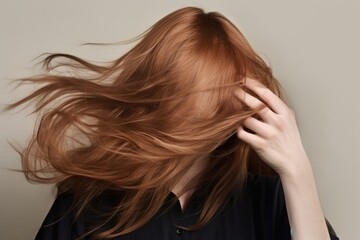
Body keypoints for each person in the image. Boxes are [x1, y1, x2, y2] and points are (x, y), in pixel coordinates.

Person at [5, 6, 339, 240]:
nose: (200, 122)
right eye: (190, 101)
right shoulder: (86, 208)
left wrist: (298, 170)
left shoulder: (273, 201)